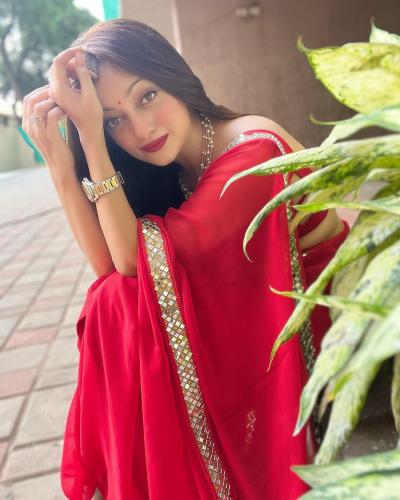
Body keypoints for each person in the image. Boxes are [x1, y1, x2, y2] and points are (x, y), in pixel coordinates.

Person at [22, 18, 349, 500]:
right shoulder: (179, 168)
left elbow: (131, 266)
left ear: (174, 76)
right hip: (256, 311)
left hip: (314, 319)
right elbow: (110, 267)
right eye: (112, 120)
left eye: (147, 95)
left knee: (119, 306)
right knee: (117, 301)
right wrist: (60, 167)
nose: (141, 129)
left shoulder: (252, 151)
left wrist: (91, 135)